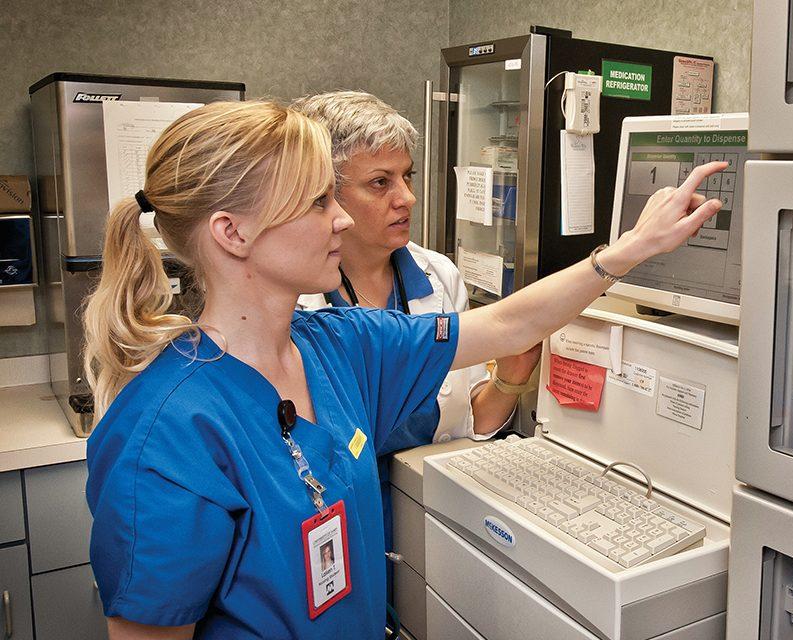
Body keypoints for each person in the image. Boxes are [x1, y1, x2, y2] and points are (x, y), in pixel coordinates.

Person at [82, 99, 724, 639]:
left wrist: (633, 249)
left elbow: (508, 325)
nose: (339, 217)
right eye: (314, 203)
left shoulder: (340, 346)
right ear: (233, 233)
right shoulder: (164, 433)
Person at [291, 91, 535, 444]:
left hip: (422, 488)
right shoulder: (292, 294)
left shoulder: (438, 275)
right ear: (326, 192)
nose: (407, 197)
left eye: (408, 176)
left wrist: (510, 378)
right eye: (380, 182)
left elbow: (467, 422)